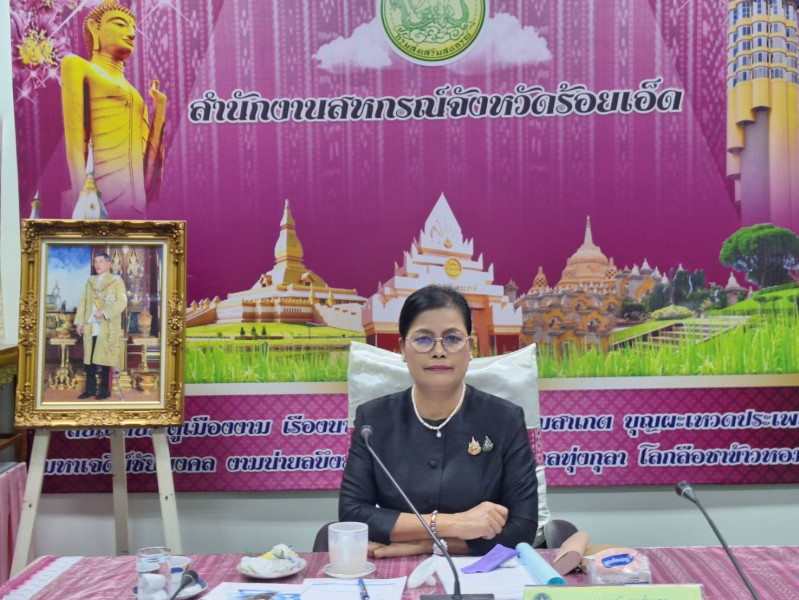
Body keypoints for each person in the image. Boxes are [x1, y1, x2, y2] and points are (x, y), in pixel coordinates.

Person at [339, 285, 538, 557]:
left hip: (478, 569)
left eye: (452, 339)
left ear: (470, 348)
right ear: (402, 348)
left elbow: (522, 528)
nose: (439, 351)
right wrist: (453, 524)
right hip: (395, 570)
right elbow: (352, 515)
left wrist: (428, 544)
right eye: (423, 339)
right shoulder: (372, 420)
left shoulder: (505, 419)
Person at [61, 0, 166, 217]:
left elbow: (148, 175)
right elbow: (74, 143)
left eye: (133, 28)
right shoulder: (78, 67)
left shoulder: (137, 97)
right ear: (94, 28)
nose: (131, 34)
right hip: (96, 198)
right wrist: (82, 202)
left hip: (136, 204)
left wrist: (160, 108)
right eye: (120, 24)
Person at [75, 252, 127, 400]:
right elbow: (83, 302)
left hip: (107, 327)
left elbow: (122, 302)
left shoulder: (116, 281)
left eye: (101, 261)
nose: (97, 264)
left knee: (105, 360)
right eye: (96, 261)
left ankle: (105, 391)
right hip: (90, 326)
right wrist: (79, 322)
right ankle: (90, 390)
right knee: (89, 360)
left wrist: (104, 312)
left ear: (108, 263)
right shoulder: (90, 281)